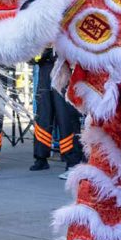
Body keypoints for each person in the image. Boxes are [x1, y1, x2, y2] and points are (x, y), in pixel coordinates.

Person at [31, 48, 85, 178]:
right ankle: (41, 157)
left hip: (63, 70)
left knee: (66, 117)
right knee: (43, 116)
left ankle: (72, 162)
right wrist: (36, 55)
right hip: (45, 69)